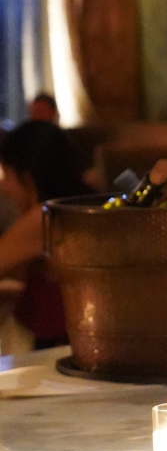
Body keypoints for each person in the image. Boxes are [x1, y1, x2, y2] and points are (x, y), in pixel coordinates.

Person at [0, 121, 92, 347]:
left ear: (28, 178)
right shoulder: (82, 209)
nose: (4, 187)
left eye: (7, 175)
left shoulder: (45, 219)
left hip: (59, 351)